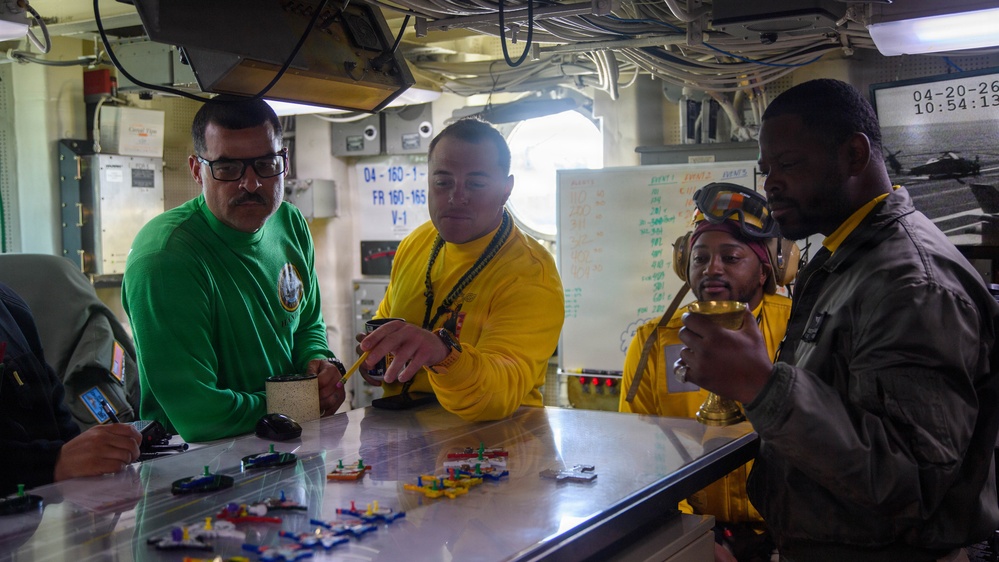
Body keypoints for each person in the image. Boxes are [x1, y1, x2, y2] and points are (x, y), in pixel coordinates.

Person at [676, 78, 999, 561]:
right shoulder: (847, 260)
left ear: (853, 155)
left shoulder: (910, 284)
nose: (771, 185)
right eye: (767, 170)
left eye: (787, 165)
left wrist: (762, 386)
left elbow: (911, 480)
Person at [122, 96, 345, 442]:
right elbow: (199, 414)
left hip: (287, 444)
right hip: (196, 466)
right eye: (227, 168)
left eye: (265, 164)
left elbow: (307, 324)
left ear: (284, 163)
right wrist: (300, 403)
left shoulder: (289, 222)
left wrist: (318, 363)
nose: (251, 184)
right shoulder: (166, 259)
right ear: (198, 170)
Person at [619, 183, 792, 562]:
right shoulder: (654, 342)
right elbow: (638, 459)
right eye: (699, 258)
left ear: (764, 272)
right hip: (695, 535)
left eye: (730, 258)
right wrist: (687, 534)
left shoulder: (798, 329)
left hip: (791, 536)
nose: (712, 268)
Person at [355, 118, 564, 420]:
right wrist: (373, 358)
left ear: (506, 189)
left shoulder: (530, 273)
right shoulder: (417, 242)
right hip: (404, 436)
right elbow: (385, 329)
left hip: (495, 444)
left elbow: (497, 395)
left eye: (476, 184)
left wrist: (443, 354)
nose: (456, 197)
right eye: (443, 182)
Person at [1, 282, 141, 495]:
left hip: (34, 515)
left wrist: (87, 457)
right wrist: (54, 462)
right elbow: (59, 457)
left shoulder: (11, 308)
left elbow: (56, 423)